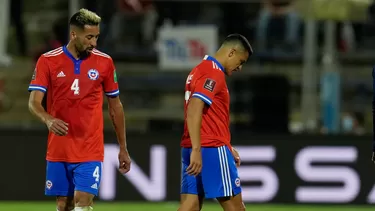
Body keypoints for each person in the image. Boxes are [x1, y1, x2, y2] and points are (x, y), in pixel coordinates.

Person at [27, 8, 131, 211]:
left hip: (89, 149)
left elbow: (115, 107)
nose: (94, 43)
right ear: (74, 34)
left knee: (83, 202)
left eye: (97, 37)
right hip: (59, 149)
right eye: (89, 37)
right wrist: (48, 119)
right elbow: (33, 102)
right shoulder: (48, 60)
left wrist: (123, 148)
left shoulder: (104, 62)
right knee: (63, 205)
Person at [179, 34, 253, 211]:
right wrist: (199, 149)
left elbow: (208, 116)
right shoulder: (214, 73)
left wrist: (226, 146)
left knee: (191, 205)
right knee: (236, 208)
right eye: (241, 61)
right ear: (231, 52)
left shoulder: (198, 70)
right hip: (209, 148)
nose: (240, 68)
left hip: (192, 145)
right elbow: (195, 107)